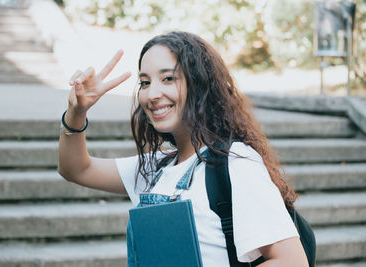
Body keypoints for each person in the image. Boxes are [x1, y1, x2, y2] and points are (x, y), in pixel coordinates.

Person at [58, 31, 308, 266]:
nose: (152, 94)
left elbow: (293, 261)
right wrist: (77, 111)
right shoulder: (156, 167)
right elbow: (76, 169)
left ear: (199, 84)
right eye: (145, 83)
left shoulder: (235, 162)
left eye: (168, 78)